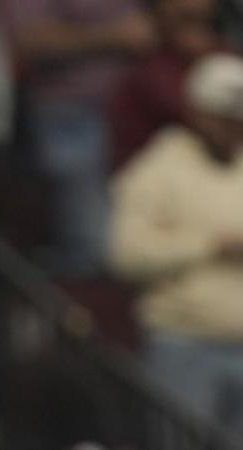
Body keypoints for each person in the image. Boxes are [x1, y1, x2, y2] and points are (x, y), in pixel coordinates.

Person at [110, 53, 243, 433]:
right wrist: (210, 246)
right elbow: (126, 252)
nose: (233, 126)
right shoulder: (158, 168)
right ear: (197, 111)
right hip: (185, 344)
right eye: (224, 114)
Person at [3, 0, 157, 275]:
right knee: (92, 247)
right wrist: (113, 36)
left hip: (142, 113)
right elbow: (27, 41)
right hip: (70, 115)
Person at [110, 0, 226, 173]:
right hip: (157, 173)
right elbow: (192, 116)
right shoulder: (146, 70)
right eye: (186, 18)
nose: (194, 7)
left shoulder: (222, 53)